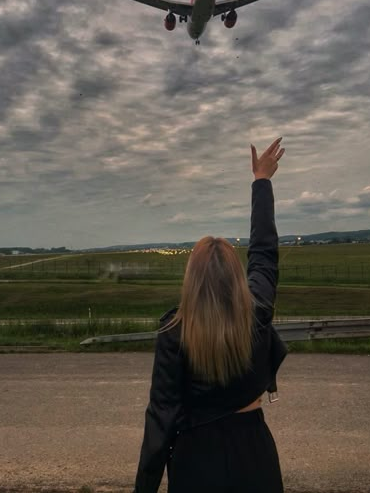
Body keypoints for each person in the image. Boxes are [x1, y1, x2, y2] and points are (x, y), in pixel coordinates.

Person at [133, 137, 287, 493]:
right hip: (255, 456)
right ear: (237, 278)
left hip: (196, 460)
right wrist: (261, 181)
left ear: (192, 282)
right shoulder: (258, 310)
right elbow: (264, 253)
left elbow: (160, 418)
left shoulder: (175, 330)